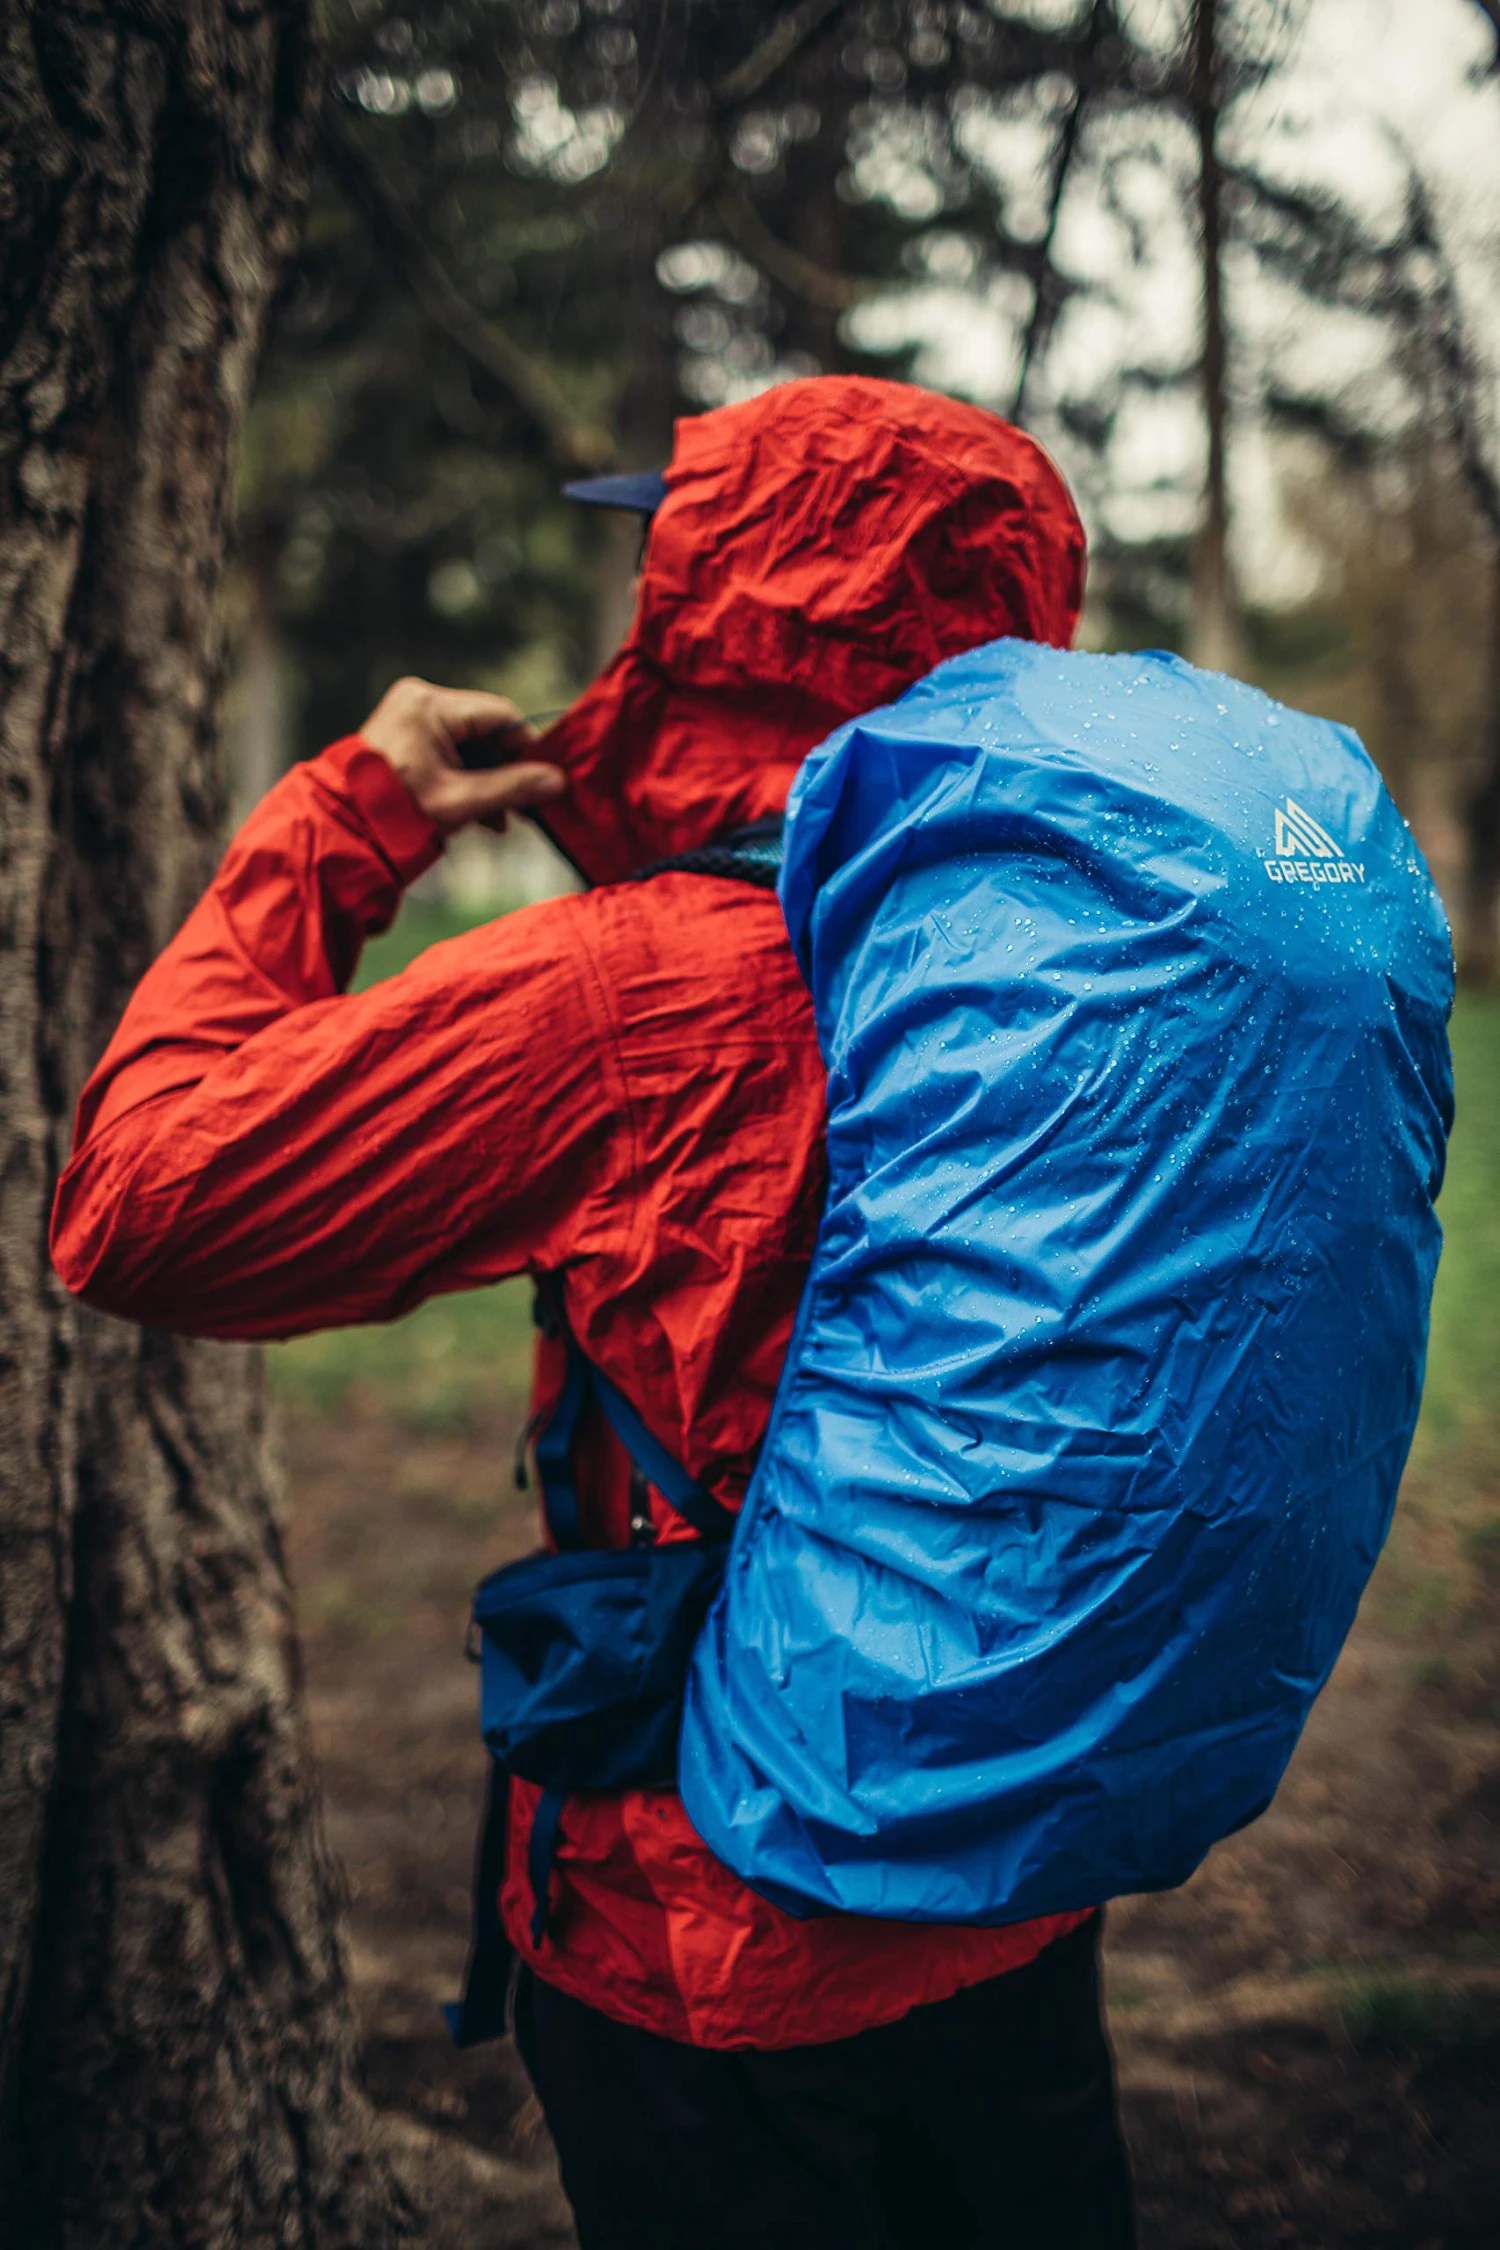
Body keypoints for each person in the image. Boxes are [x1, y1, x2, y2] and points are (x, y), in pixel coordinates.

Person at [51, 375, 1135, 2250]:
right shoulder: (1084, 958)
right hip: (1019, 1852)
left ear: (720, 615)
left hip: (712, 1931)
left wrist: (353, 813)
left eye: (666, 557)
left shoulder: (632, 998)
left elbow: (141, 1202)